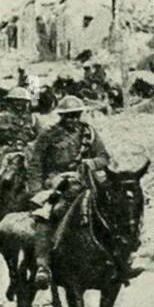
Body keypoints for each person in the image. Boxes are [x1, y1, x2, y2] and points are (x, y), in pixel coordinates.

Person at [27, 96, 119, 289]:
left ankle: (119, 255)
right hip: (57, 179)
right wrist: (36, 191)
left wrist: (91, 163)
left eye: (76, 115)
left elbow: (104, 157)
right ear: (62, 116)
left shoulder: (89, 133)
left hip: (85, 177)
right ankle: (43, 264)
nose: (73, 120)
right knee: (49, 212)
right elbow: (35, 163)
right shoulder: (48, 134)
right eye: (68, 116)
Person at [0, 88, 39, 291]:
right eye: (16, 102)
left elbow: (42, 144)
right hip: (4, 166)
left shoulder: (34, 122)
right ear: (10, 103)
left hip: (28, 164)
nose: (19, 106)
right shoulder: (0, 122)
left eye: (22, 102)